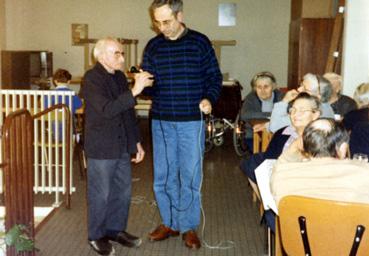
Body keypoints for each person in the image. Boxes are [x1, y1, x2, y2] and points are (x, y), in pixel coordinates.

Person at [141, 0, 222, 250]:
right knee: (164, 177)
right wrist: (143, 83)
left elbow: (214, 77)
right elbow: (150, 88)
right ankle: (170, 222)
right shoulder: (153, 47)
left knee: (189, 175)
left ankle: (187, 225)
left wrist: (209, 98)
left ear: (180, 15)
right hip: (163, 120)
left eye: (167, 21)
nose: (162, 27)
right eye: (157, 22)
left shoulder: (199, 42)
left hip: (190, 121)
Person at [82, 37, 153, 255]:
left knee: (122, 193)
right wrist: (135, 90)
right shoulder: (91, 79)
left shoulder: (121, 77)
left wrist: (137, 142)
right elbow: (107, 109)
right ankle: (96, 235)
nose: (122, 58)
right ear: (101, 56)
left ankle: (114, 230)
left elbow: (127, 113)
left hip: (122, 144)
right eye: (117, 54)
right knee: (100, 195)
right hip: (101, 148)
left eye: (122, 53)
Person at [271, 118, 369, 208]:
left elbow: (280, 165)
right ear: (343, 148)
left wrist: (294, 146)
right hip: (351, 227)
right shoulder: (364, 173)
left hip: (303, 226)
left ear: (303, 145)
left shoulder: (283, 176)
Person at [268, 73, 335, 133]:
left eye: (305, 89)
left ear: (318, 96)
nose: (299, 89)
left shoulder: (312, 110)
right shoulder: (326, 107)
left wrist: (285, 101)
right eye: (301, 85)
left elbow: (274, 127)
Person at [239, 71, 284, 151]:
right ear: (255, 88)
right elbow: (245, 114)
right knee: (261, 153)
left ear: (273, 87)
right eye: (259, 87)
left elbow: (289, 113)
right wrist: (271, 114)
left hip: (277, 134)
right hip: (253, 134)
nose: (262, 90)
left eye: (266, 87)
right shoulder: (251, 98)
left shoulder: (281, 96)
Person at [44, 68, 83, 141]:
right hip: (69, 133)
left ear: (55, 81)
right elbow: (79, 105)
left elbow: (45, 107)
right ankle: (75, 141)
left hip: (54, 133)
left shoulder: (50, 94)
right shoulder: (72, 94)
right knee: (72, 121)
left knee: (53, 122)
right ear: (69, 82)